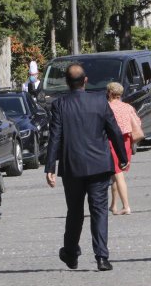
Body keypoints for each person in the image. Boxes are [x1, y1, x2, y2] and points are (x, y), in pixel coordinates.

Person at [45, 63, 129, 271]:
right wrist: (122, 156)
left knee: (74, 211)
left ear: (66, 82)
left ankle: (71, 252)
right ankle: (102, 257)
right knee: (99, 210)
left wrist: (50, 167)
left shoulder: (59, 105)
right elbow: (114, 130)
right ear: (85, 80)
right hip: (99, 165)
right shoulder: (100, 101)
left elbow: (55, 137)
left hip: (72, 166)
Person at [106, 82, 142, 215]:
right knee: (116, 173)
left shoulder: (107, 107)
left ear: (110, 93)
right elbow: (138, 122)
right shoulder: (127, 107)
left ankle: (126, 206)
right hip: (126, 141)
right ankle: (114, 205)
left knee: (117, 173)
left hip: (113, 141)